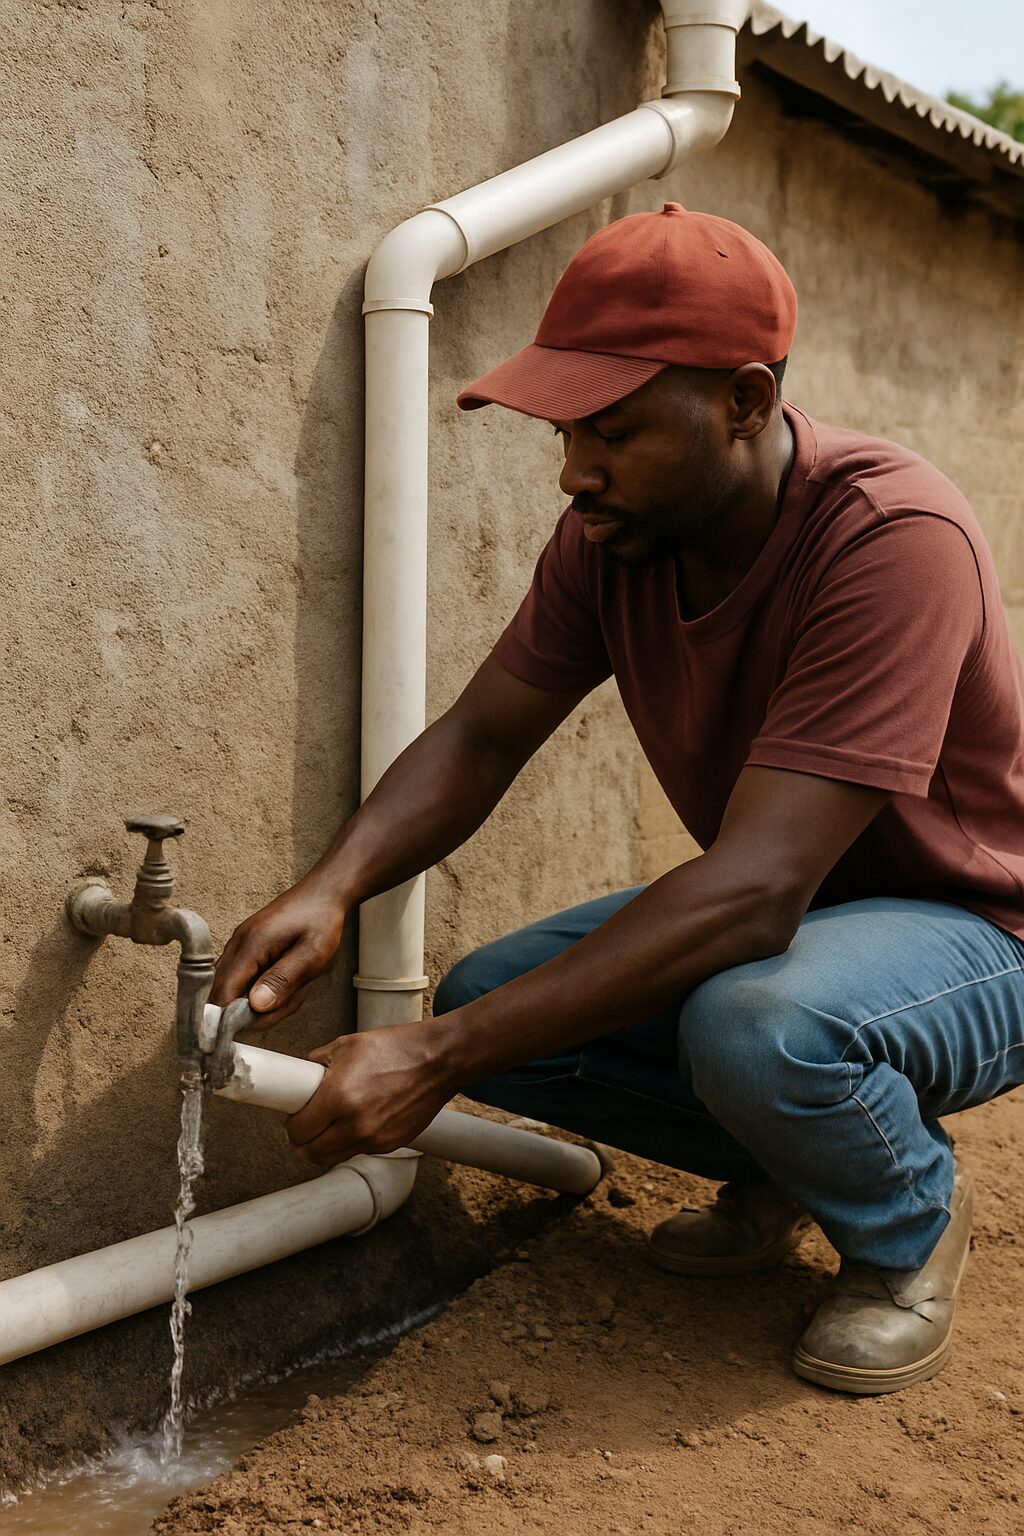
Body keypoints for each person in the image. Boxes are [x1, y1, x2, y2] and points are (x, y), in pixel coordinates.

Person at [212, 203, 1024, 1396]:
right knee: (496, 1002)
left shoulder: (890, 536)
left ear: (744, 402)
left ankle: (907, 1220)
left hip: (976, 932)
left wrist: (435, 1057)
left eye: (615, 431)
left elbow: (754, 892)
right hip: (804, 917)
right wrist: (331, 888)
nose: (574, 472)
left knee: (753, 1027)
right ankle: (800, 1160)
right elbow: (483, 735)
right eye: (565, 432)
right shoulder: (613, 537)